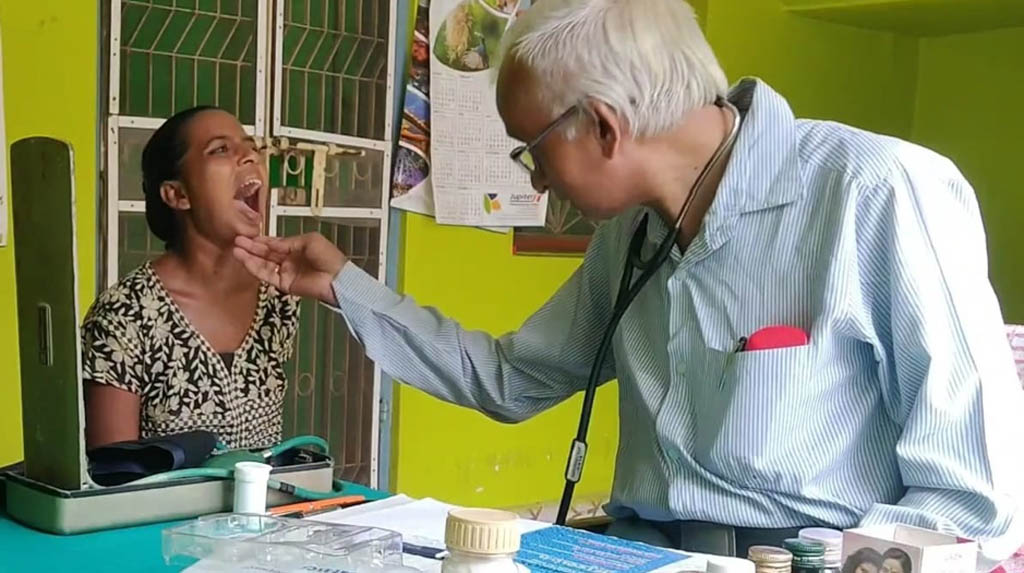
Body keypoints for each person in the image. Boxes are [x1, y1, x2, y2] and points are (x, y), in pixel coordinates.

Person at [233, 0, 1024, 566]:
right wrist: (346, 285)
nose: (535, 177)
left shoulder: (876, 192)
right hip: (630, 553)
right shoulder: (633, 238)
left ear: (605, 126)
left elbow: (973, 500)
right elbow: (510, 377)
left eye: (531, 148)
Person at [82, 106, 299, 450]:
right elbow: (113, 472)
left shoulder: (278, 295)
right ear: (178, 195)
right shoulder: (124, 315)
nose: (250, 156)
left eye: (252, 147)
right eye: (220, 149)